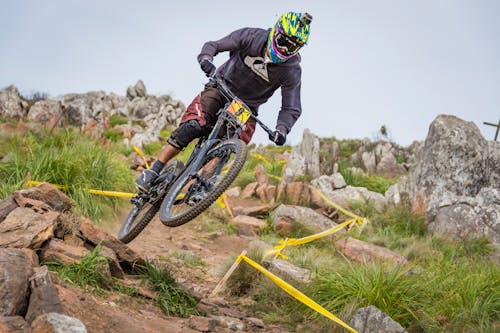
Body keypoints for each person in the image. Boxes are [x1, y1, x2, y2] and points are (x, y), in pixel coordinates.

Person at [136, 11, 312, 193]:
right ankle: (154, 169)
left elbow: (291, 106)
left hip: (246, 107)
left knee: (224, 148)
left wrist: (281, 129)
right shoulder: (251, 37)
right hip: (221, 86)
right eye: (283, 43)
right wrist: (206, 58)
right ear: (276, 32)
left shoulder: (291, 70)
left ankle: (200, 187)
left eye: (292, 48)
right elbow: (214, 45)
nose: (284, 50)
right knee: (194, 125)